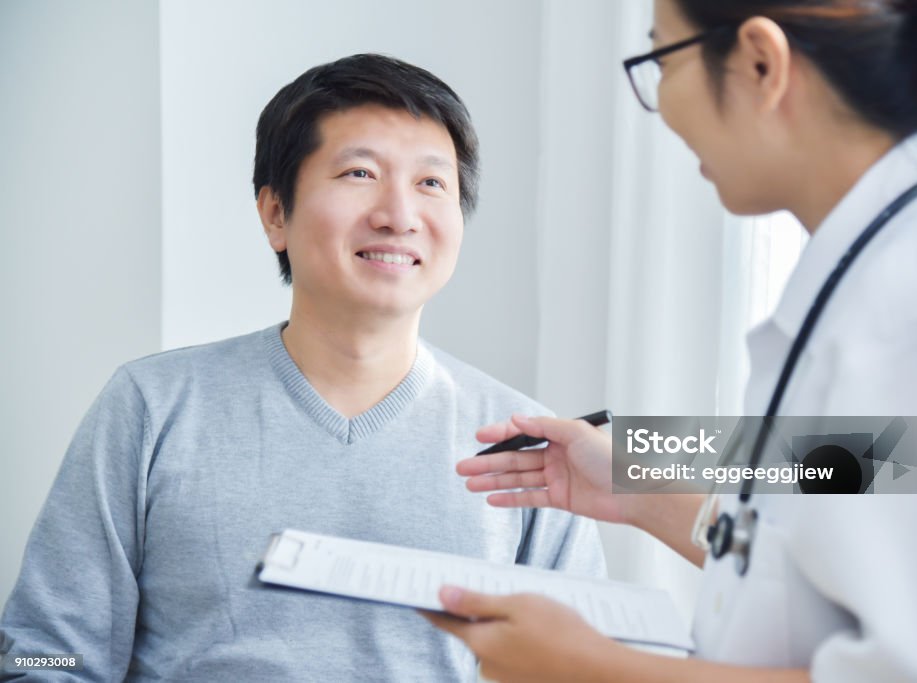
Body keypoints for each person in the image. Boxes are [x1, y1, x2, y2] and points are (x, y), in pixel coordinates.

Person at [424, 1, 917, 681]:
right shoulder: (876, 277)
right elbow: (823, 552)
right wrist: (640, 489)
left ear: (761, 63)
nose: (664, 108)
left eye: (661, 61)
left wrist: (592, 667)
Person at [0, 54, 605, 681]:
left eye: (432, 184)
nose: (399, 215)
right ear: (275, 214)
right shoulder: (151, 406)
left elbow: (589, 667)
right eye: (359, 172)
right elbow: (45, 653)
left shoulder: (529, 443)